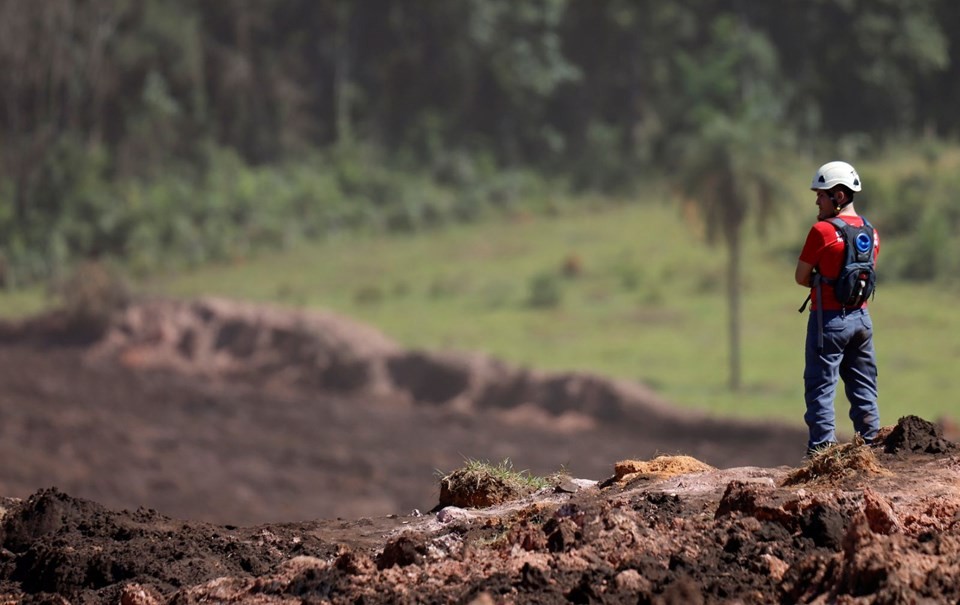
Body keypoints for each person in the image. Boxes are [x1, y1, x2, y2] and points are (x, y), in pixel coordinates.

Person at [794, 161, 880, 456]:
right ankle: (872, 448)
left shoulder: (821, 232)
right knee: (864, 388)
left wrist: (822, 281)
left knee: (820, 387)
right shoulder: (871, 232)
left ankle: (822, 454)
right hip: (862, 320)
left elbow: (800, 277)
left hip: (829, 321)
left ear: (839, 197)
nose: (817, 200)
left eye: (821, 194)